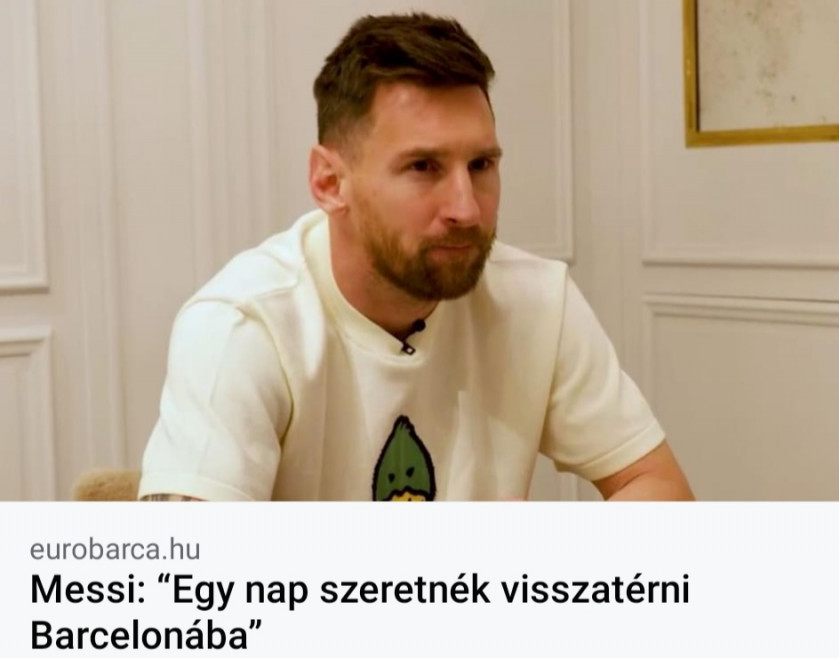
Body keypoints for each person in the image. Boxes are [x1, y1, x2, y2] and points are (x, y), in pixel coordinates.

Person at [138, 13, 693, 502]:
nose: (466, 209)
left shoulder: (538, 301)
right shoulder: (241, 326)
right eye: (423, 167)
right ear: (329, 182)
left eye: (481, 165)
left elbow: (658, 486)